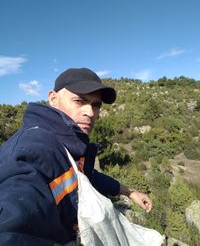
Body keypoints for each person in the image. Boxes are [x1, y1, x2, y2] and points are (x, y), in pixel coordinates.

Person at [0, 68, 152, 245]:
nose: (90, 112)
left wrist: (130, 192)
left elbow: (86, 176)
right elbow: (11, 227)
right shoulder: (32, 148)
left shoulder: (70, 143)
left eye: (96, 104)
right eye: (79, 101)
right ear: (53, 99)